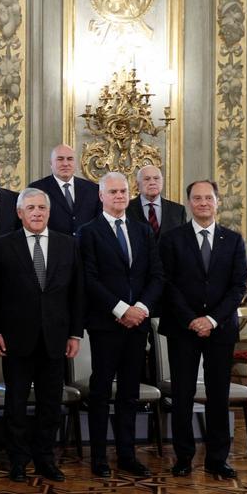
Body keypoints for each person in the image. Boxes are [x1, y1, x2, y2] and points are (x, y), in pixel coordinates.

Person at [0, 188, 84, 483]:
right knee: (15, 404)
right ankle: (17, 460)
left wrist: (75, 334)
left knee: (50, 404)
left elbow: (77, 293)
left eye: (42, 207)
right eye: (31, 208)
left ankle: (45, 459)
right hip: (17, 339)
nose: (37, 212)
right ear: (20, 213)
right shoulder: (2, 246)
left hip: (55, 339)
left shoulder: (68, 245)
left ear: (49, 211)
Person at [77, 171, 164, 478]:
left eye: (123, 191)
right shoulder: (88, 232)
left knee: (129, 393)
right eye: (112, 191)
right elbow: (89, 278)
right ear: (101, 196)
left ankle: (127, 454)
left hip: (137, 325)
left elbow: (156, 275)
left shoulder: (143, 231)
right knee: (101, 391)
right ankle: (99, 457)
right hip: (105, 325)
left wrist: (139, 308)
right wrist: (120, 309)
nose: (119, 196)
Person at [159, 180, 247, 479]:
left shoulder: (233, 240)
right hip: (182, 329)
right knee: (182, 395)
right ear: (189, 203)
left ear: (217, 202)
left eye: (208, 198)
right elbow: (167, 285)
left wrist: (211, 320)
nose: (203, 203)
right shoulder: (172, 239)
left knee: (218, 394)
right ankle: (183, 457)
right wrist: (192, 320)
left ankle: (217, 459)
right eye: (196, 198)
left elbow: (238, 287)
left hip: (220, 330)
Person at [28, 145, 101, 236]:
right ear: (51, 163)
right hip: (54, 247)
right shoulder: (36, 189)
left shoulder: (93, 189)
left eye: (70, 159)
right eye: (60, 159)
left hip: (86, 247)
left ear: (75, 163)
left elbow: (99, 223)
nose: (65, 164)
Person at [127, 165, 187, 239]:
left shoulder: (178, 211)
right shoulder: (126, 209)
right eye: (147, 179)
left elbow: (183, 242)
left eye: (156, 178)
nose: (152, 182)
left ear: (162, 181)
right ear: (137, 184)